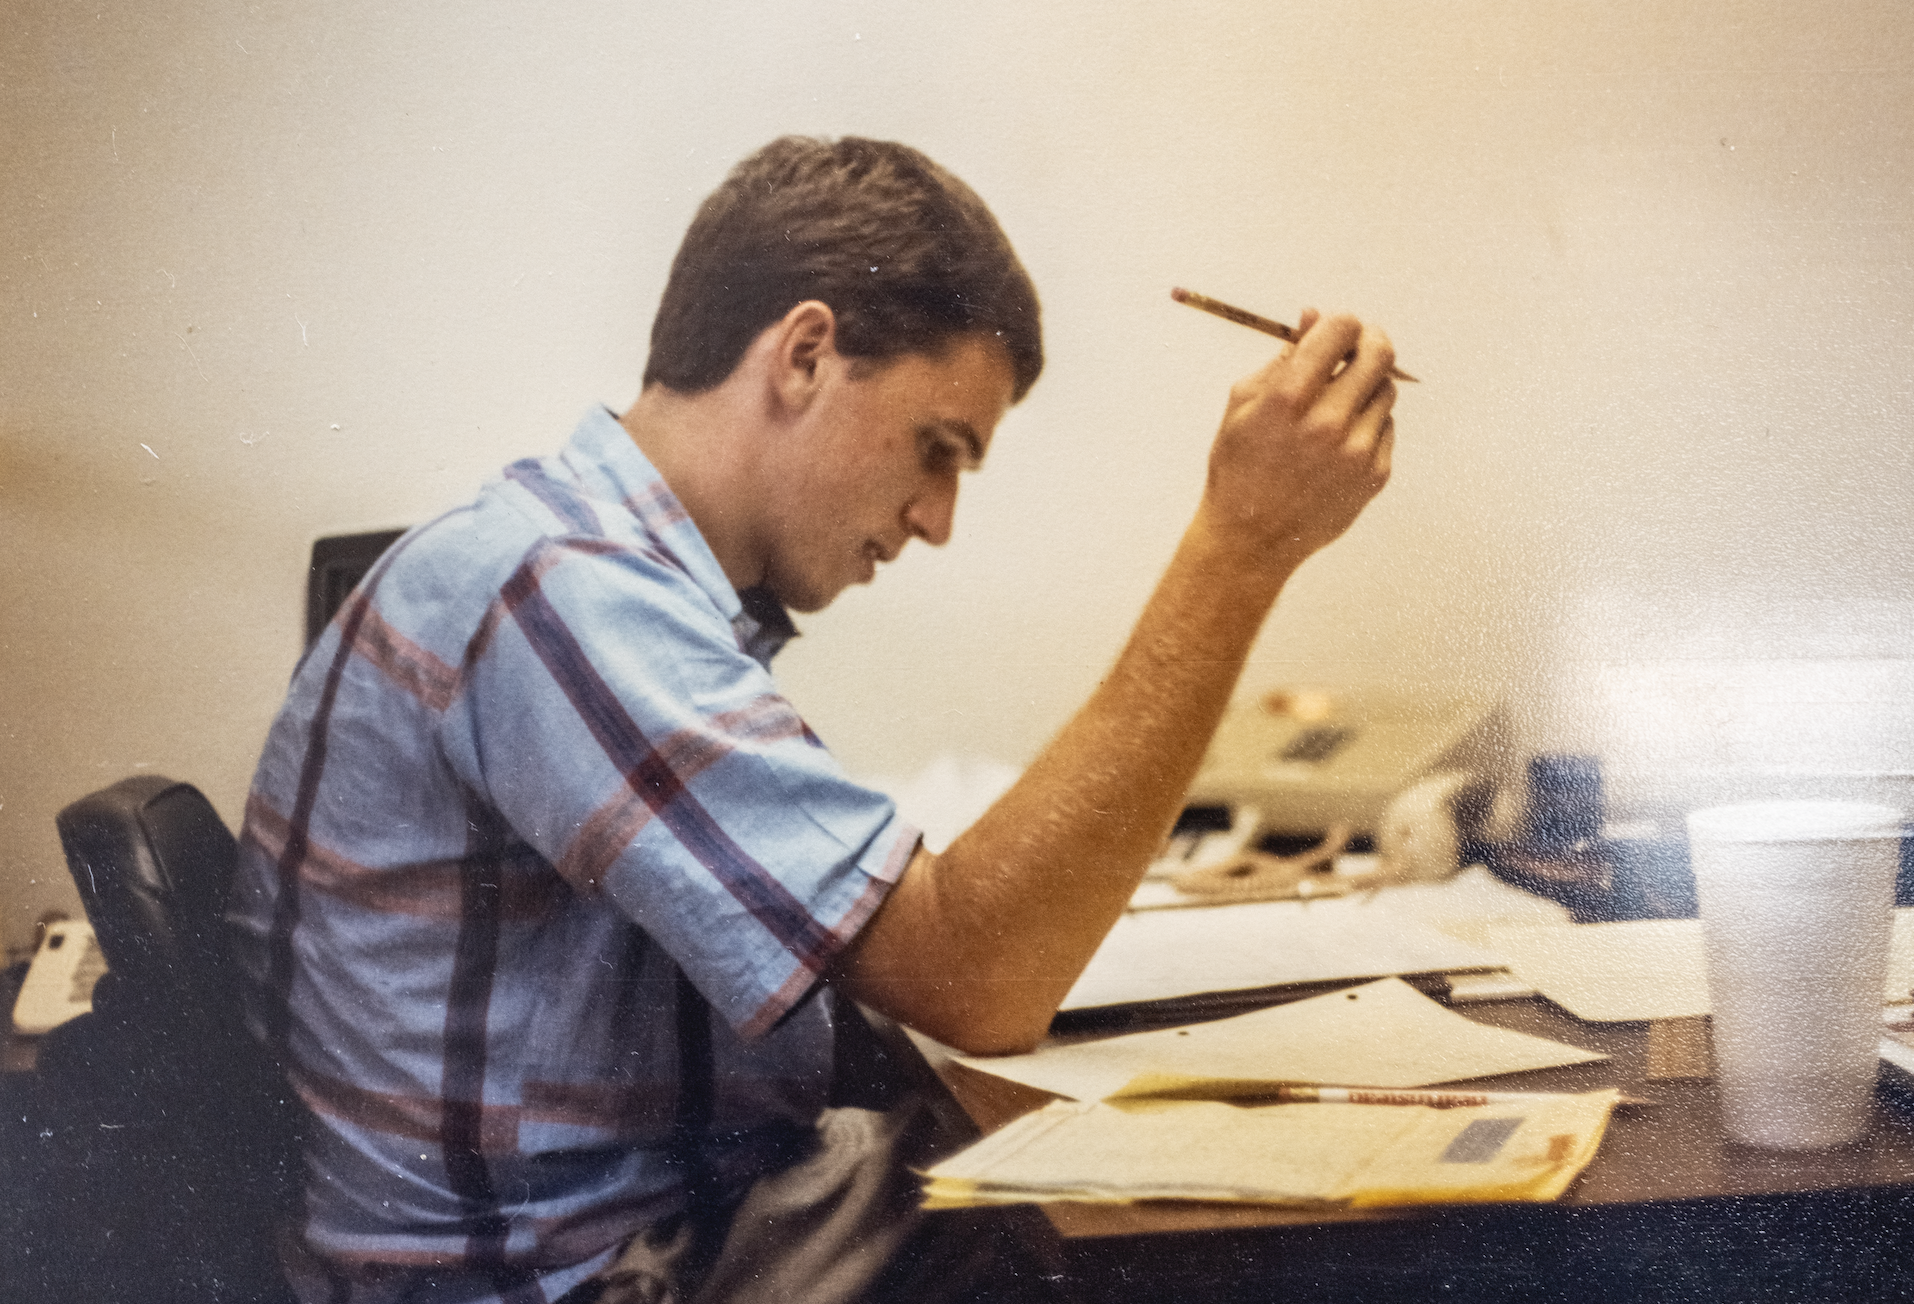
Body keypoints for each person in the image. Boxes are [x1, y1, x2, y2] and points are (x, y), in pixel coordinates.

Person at [226, 135, 1398, 1304]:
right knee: (1204, 1234)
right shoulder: (559, 591)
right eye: (937, 450)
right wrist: (1239, 549)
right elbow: (978, 980)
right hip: (575, 1281)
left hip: (594, 1242)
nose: (935, 519)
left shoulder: (578, 570)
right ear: (802, 355)